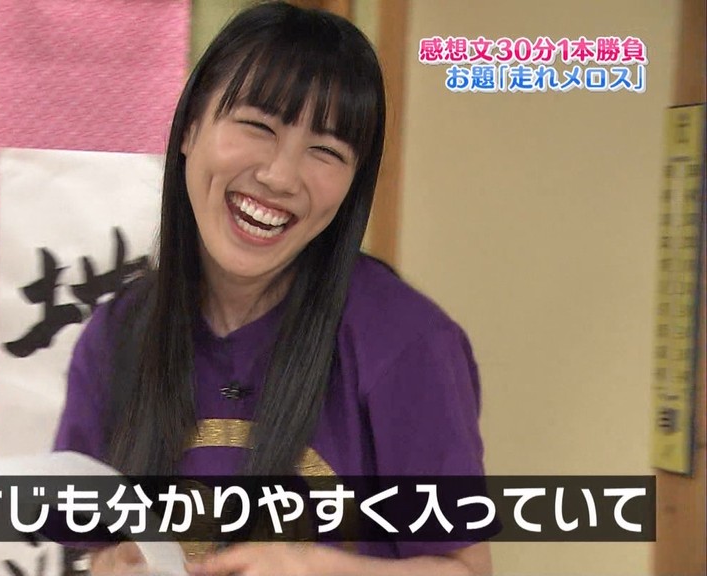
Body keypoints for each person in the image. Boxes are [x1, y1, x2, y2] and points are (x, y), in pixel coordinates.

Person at [53, 2, 493, 574]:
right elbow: (94, 546)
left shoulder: (407, 342)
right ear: (190, 128)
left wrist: (321, 570)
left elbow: (465, 569)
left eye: (326, 152)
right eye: (258, 126)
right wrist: (113, 565)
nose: (280, 177)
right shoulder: (117, 334)